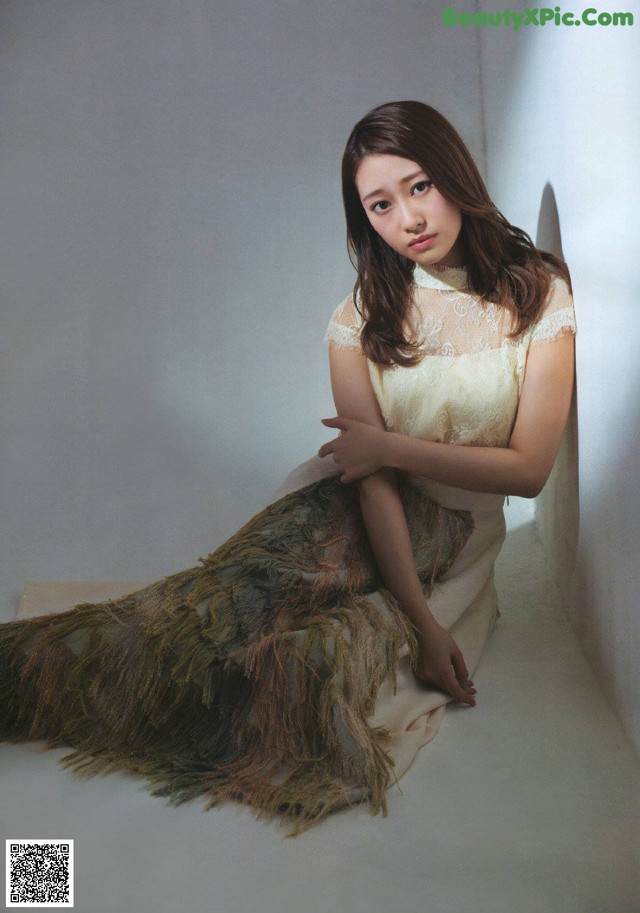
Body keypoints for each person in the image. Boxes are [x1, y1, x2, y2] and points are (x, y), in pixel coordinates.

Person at [0, 101, 576, 838]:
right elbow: (368, 479)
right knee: (196, 621)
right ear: (363, 217)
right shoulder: (359, 319)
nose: (409, 217)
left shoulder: (539, 296)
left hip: (458, 538)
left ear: (455, 172)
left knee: (314, 669)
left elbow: (529, 470)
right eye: (381, 203)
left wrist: (428, 622)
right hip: (352, 512)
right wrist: (410, 587)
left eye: (421, 185)